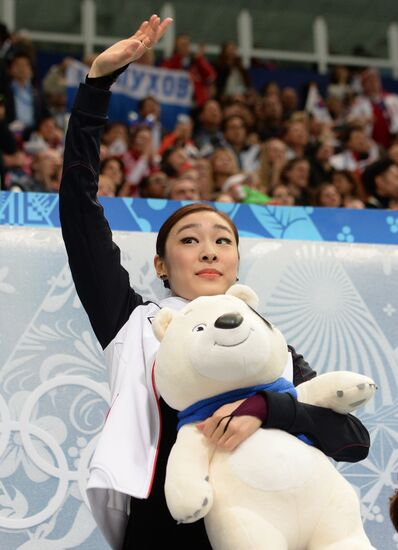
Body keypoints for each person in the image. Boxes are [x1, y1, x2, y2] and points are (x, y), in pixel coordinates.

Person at [59, 16, 371, 550]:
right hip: (165, 528)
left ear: (236, 265)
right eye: (189, 240)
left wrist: (266, 408)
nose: (208, 249)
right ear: (160, 266)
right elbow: (78, 210)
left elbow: (352, 440)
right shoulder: (133, 323)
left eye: (223, 241)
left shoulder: (266, 346)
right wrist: (96, 86)